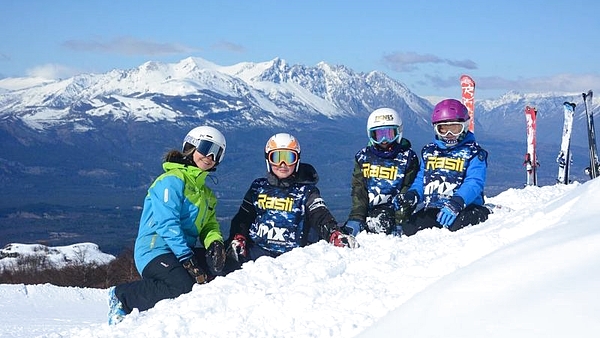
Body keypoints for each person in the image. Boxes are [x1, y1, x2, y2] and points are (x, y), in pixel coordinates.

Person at [107, 126, 228, 325]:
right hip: (155, 251)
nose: (210, 157)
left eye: (217, 154)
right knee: (183, 287)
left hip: (180, 252)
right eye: (206, 148)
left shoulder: (206, 193)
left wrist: (215, 243)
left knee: (223, 270)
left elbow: (210, 225)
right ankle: (123, 297)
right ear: (191, 146)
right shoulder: (171, 181)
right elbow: (167, 223)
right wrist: (187, 259)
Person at [225, 133, 357, 272]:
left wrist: (333, 233)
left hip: (293, 259)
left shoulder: (306, 191)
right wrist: (239, 236)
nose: (283, 165)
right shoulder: (258, 187)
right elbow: (243, 217)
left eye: (289, 158)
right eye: (276, 158)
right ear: (268, 160)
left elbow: (319, 215)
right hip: (255, 254)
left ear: (297, 160)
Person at [399, 99, 490, 236]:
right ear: (436, 129)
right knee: (409, 228)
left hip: (464, 206)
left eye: (454, 129)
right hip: (435, 206)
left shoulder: (473, 153)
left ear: (464, 126)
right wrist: (414, 194)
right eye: (443, 129)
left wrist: (457, 202)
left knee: (455, 226)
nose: (449, 135)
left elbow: (474, 182)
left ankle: (484, 212)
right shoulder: (430, 152)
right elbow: (422, 178)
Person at [344, 108, 419, 236]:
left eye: (389, 134)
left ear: (398, 132)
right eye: (378, 135)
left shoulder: (407, 157)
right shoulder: (363, 157)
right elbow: (359, 189)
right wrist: (356, 217)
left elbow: (408, 188)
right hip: (369, 211)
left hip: (393, 211)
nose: (384, 140)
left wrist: (400, 220)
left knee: (381, 223)